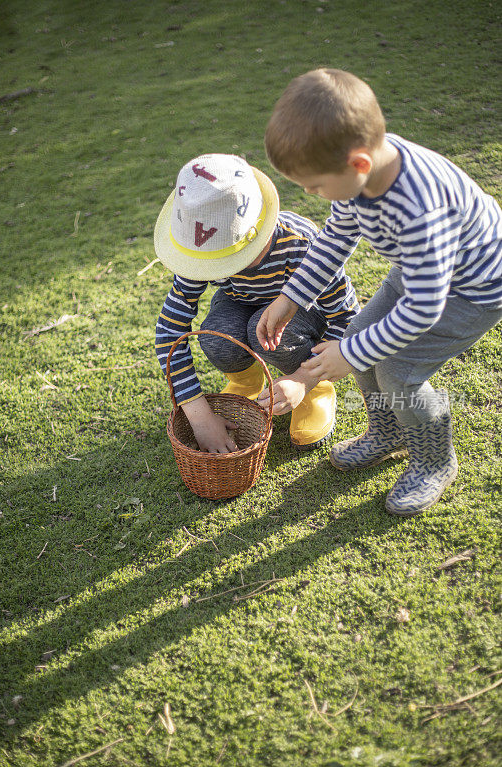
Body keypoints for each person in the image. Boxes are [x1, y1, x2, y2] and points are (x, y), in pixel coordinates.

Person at [256, 68, 502, 516]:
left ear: (359, 164)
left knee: (397, 370)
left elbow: (425, 306)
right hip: (421, 274)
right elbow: (335, 238)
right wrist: (291, 296)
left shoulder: (420, 209)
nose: (312, 194)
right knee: (364, 337)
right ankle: (387, 433)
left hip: (472, 290)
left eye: (314, 185)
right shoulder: (358, 175)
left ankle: (433, 460)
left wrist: (350, 354)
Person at [154, 152, 359, 453]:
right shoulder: (198, 252)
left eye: (232, 260)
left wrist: (303, 380)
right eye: (218, 266)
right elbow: (169, 332)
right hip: (241, 303)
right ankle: (246, 382)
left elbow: (348, 317)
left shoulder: (301, 246)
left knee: (266, 336)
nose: (223, 271)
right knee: (217, 335)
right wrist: (198, 416)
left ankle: (317, 392)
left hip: (302, 314)